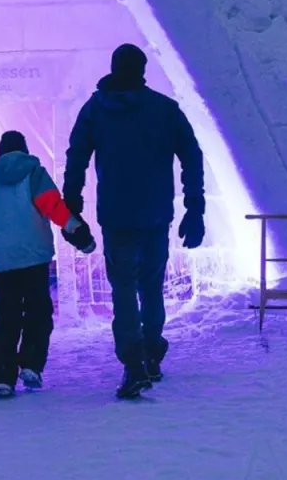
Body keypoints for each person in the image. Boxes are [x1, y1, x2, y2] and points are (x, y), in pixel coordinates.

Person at [63, 43, 205, 399]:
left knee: (124, 291)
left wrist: (72, 202)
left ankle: (134, 363)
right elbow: (191, 155)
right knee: (151, 287)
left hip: (117, 216)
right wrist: (194, 207)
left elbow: (77, 154)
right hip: (156, 214)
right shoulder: (165, 110)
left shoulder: (96, 109)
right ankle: (151, 353)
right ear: (143, 71)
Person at [0, 130, 94, 398]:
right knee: (38, 313)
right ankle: (31, 365)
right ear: (24, 148)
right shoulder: (34, 174)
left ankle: (2, 377)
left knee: (7, 318)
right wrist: (77, 231)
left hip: (5, 262)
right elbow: (53, 206)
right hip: (34, 257)